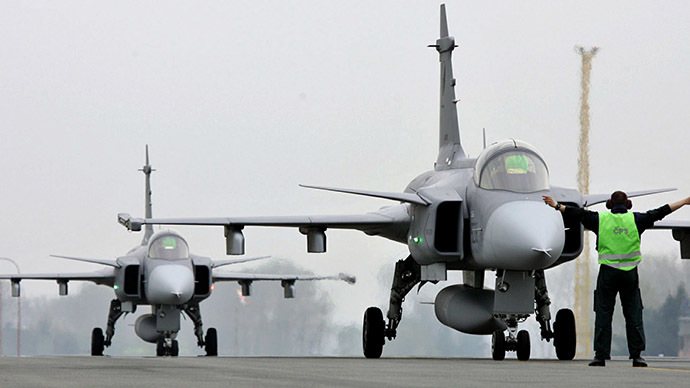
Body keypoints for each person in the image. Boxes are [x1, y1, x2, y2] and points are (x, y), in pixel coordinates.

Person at [542, 191, 690, 367]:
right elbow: (661, 211)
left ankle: (600, 356)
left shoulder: (600, 220)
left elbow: (577, 213)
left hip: (608, 274)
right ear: (628, 204)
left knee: (604, 314)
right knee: (633, 315)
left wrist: (556, 205)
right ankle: (637, 356)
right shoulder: (636, 219)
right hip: (630, 274)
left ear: (609, 205)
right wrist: (684, 201)